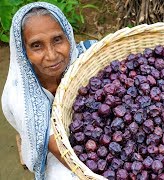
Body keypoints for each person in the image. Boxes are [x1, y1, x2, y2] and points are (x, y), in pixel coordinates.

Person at [1, 2, 97, 179]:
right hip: (50, 143)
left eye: (57, 39)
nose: (52, 55)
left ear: (68, 36)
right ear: (23, 52)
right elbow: (63, 154)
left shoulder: (82, 62)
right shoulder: (22, 102)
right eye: (36, 45)